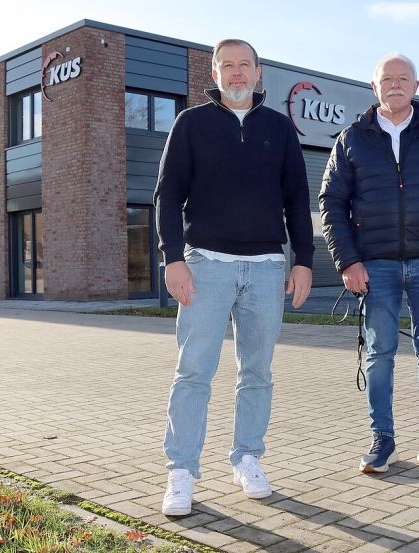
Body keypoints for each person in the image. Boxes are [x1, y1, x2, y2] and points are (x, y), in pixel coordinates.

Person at [155, 38, 314, 516]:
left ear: (259, 72)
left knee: (257, 373)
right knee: (194, 372)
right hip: (205, 264)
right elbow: (166, 195)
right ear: (216, 74)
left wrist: (303, 259)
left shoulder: (280, 129)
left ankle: (247, 457)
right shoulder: (191, 124)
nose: (237, 73)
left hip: (266, 268)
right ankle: (181, 471)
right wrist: (173, 259)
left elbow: (297, 201)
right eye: (228, 66)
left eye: (245, 65)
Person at [319, 53, 419, 474]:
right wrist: (348, 261)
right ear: (373, 87)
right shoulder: (352, 137)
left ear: (416, 86)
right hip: (376, 266)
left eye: (402, 78)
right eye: (386, 79)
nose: (394, 84)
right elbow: (331, 203)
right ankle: (383, 440)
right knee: (379, 354)